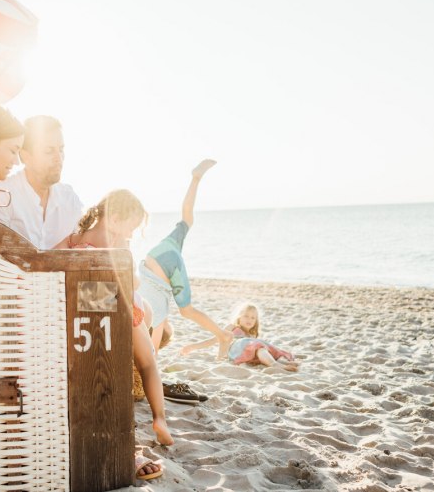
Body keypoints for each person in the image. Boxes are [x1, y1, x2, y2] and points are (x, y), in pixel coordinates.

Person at [60, 190, 174, 451]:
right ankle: (159, 419)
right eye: (130, 227)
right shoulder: (117, 243)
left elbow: (50, 261)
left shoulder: (73, 238)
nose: (131, 234)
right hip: (112, 303)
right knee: (148, 363)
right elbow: (130, 282)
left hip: (81, 309)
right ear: (113, 219)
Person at [138, 159, 234, 359]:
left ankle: (223, 335)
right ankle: (195, 179)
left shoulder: (158, 318)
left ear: (163, 331)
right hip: (157, 253)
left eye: (168, 330)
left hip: (168, 265)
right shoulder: (143, 309)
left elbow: (151, 354)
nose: (169, 327)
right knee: (187, 219)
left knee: (187, 311)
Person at [0, 116, 83, 250]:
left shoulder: (70, 199)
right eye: (49, 151)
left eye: (61, 149)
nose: (59, 158)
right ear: (25, 156)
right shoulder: (2, 194)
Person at [181, 302, 299, 372]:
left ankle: (278, 362)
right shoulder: (232, 327)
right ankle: (274, 365)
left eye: (253, 318)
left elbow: (258, 347)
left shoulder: (252, 335)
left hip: (251, 353)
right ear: (239, 317)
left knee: (262, 348)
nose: (249, 320)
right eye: (246, 316)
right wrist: (192, 347)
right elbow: (213, 340)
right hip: (237, 351)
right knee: (258, 345)